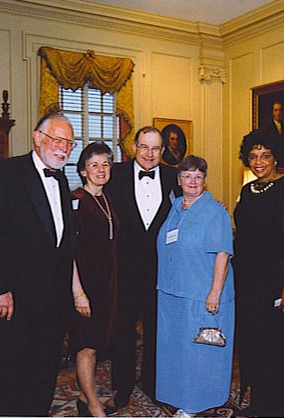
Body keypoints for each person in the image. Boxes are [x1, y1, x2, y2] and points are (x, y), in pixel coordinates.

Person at [0, 113, 76, 416]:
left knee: (43, 374)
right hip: (14, 300)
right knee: (11, 375)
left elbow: (61, 244)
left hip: (53, 303)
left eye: (69, 142)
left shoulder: (62, 178)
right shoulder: (4, 173)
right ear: (38, 138)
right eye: (57, 139)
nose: (63, 148)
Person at [233, 130, 284, 416]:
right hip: (247, 283)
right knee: (251, 348)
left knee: (274, 351)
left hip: (276, 285)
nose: (259, 162)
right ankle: (258, 403)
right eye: (253, 156)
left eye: (265, 156)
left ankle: (275, 409)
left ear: (276, 157)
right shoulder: (247, 190)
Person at [105, 126, 181, 408]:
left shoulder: (175, 176)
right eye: (144, 147)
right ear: (133, 147)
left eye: (156, 148)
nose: (149, 154)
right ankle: (122, 387)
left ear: (163, 151)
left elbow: (192, 203)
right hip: (123, 269)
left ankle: (154, 383)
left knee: (157, 329)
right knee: (122, 330)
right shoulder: (116, 174)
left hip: (161, 270)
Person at [156, 155, 235, 418]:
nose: (192, 181)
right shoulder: (176, 206)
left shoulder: (216, 212)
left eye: (198, 176)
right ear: (179, 180)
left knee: (199, 354)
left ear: (204, 180)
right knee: (176, 351)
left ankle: (194, 406)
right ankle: (180, 400)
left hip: (200, 294)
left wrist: (214, 292)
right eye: (187, 176)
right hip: (172, 292)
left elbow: (222, 253)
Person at [70, 142, 120, 417]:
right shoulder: (76, 200)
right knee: (86, 345)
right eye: (94, 165)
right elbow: (69, 253)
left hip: (106, 284)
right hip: (85, 285)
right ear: (82, 171)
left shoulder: (107, 199)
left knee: (98, 343)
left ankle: (82, 396)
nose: (101, 170)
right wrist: (78, 292)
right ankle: (93, 404)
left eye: (105, 164)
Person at [262, 100, 284, 167]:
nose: (278, 113)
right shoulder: (267, 128)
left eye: (280, 110)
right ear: (272, 112)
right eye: (276, 110)